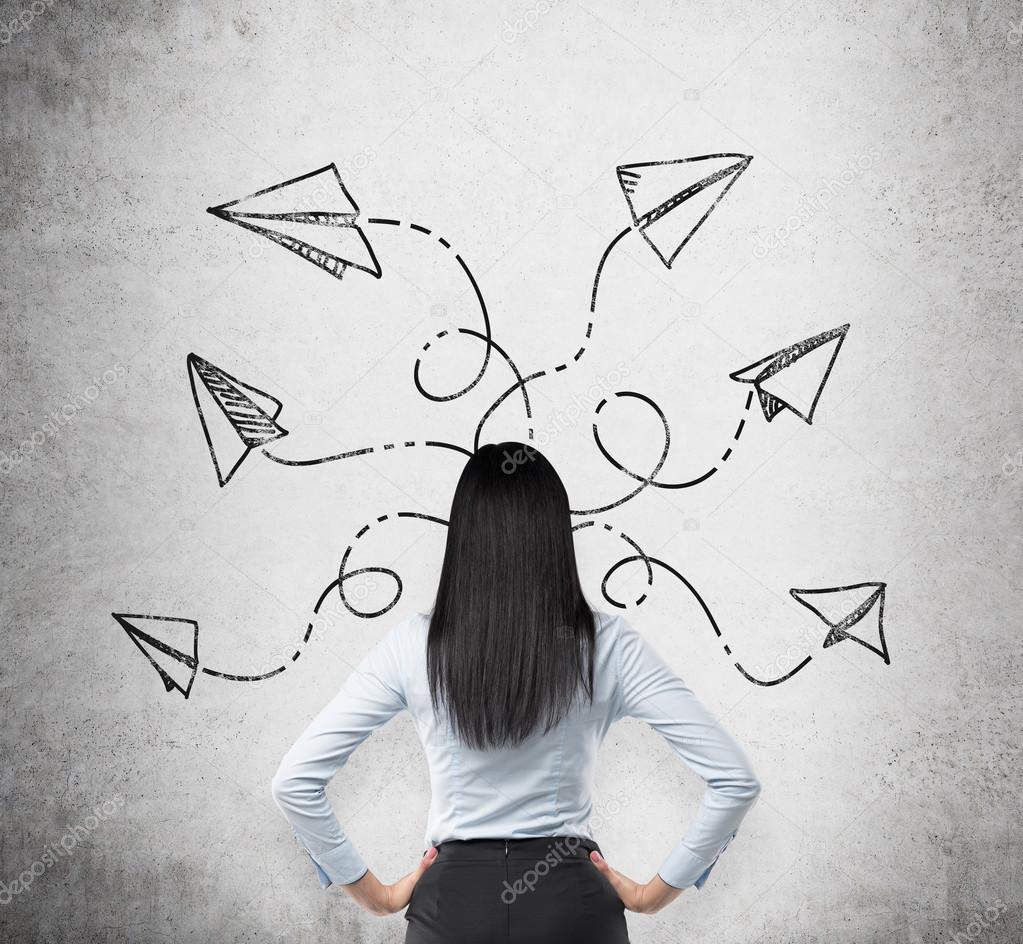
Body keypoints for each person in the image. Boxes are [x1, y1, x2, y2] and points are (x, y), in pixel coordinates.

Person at [271, 442, 761, 943]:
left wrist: (376, 897)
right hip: (572, 905)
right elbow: (735, 780)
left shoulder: (412, 645)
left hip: (451, 911)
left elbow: (294, 782)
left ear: (463, 536)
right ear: (555, 534)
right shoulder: (610, 644)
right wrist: (655, 894)